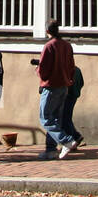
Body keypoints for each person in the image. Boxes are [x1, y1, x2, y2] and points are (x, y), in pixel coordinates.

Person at [35, 19, 77, 159]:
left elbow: (43, 69)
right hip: (64, 86)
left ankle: (66, 140)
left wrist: (38, 71)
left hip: (51, 86)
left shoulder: (49, 46)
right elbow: (72, 66)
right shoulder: (66, 46)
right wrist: (69, 79)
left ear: (47, 31)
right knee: (55, 119)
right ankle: (51, 149)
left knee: (46, 118)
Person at [45, 63, 85, 154]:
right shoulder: (77, 70)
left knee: (64, 118)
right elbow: (81, 83)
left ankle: (72, 140)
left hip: (68, 96)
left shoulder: (67, 71)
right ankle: (75, 136)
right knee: (67, 117)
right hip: (74, 95)